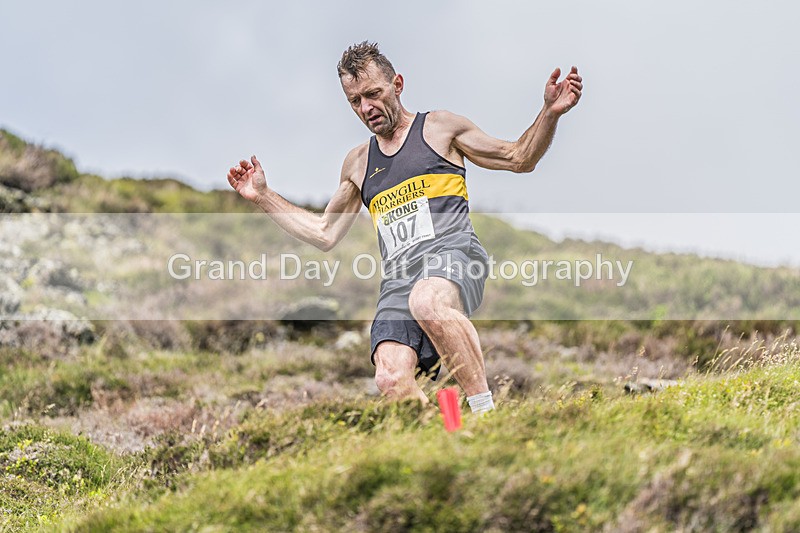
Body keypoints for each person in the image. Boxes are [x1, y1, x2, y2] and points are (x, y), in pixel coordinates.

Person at [227, 41, 582, 414]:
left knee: (427, 301)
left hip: (454, 255)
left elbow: (518, 157)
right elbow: (324, 232)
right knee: (390, 378)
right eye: (354, 101)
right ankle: (451, 435)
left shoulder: (441, 129)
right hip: (399, 280)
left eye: (373, 94)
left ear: (397, 84)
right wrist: (264, 196)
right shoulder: (358, 164)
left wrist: (550, 113)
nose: (366, 108)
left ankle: (485, 414)